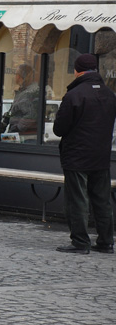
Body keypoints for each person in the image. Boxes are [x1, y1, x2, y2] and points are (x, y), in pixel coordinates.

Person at [53, 54, 116, 254]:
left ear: (77, 71)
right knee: (102, 200)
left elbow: (59, 129)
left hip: (77, 157)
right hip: (101, 156)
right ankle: (106, 241)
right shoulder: (109, 94)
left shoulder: (74, 95)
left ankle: (80, 242)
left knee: (77, 200)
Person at [4, 63, 39, 141]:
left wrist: (17, 128)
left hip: (23, 136)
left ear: (20, 76)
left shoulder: (28, 93)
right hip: (16, 134)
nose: (15, 76)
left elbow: (30, 115)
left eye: (16, 74)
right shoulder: (22, 91)